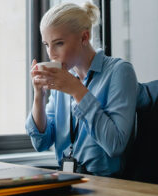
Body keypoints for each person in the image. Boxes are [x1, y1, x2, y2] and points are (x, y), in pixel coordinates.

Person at [25, 2, 138, 177]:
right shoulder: (63, 79)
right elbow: (41, 142)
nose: (51, 54)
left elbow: (115, 145)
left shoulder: (119, 71)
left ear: (84, 38)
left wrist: (77, 91)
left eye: (59, 43)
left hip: (107, 183)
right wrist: (38, 95)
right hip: (68, 179)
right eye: (47, 44)